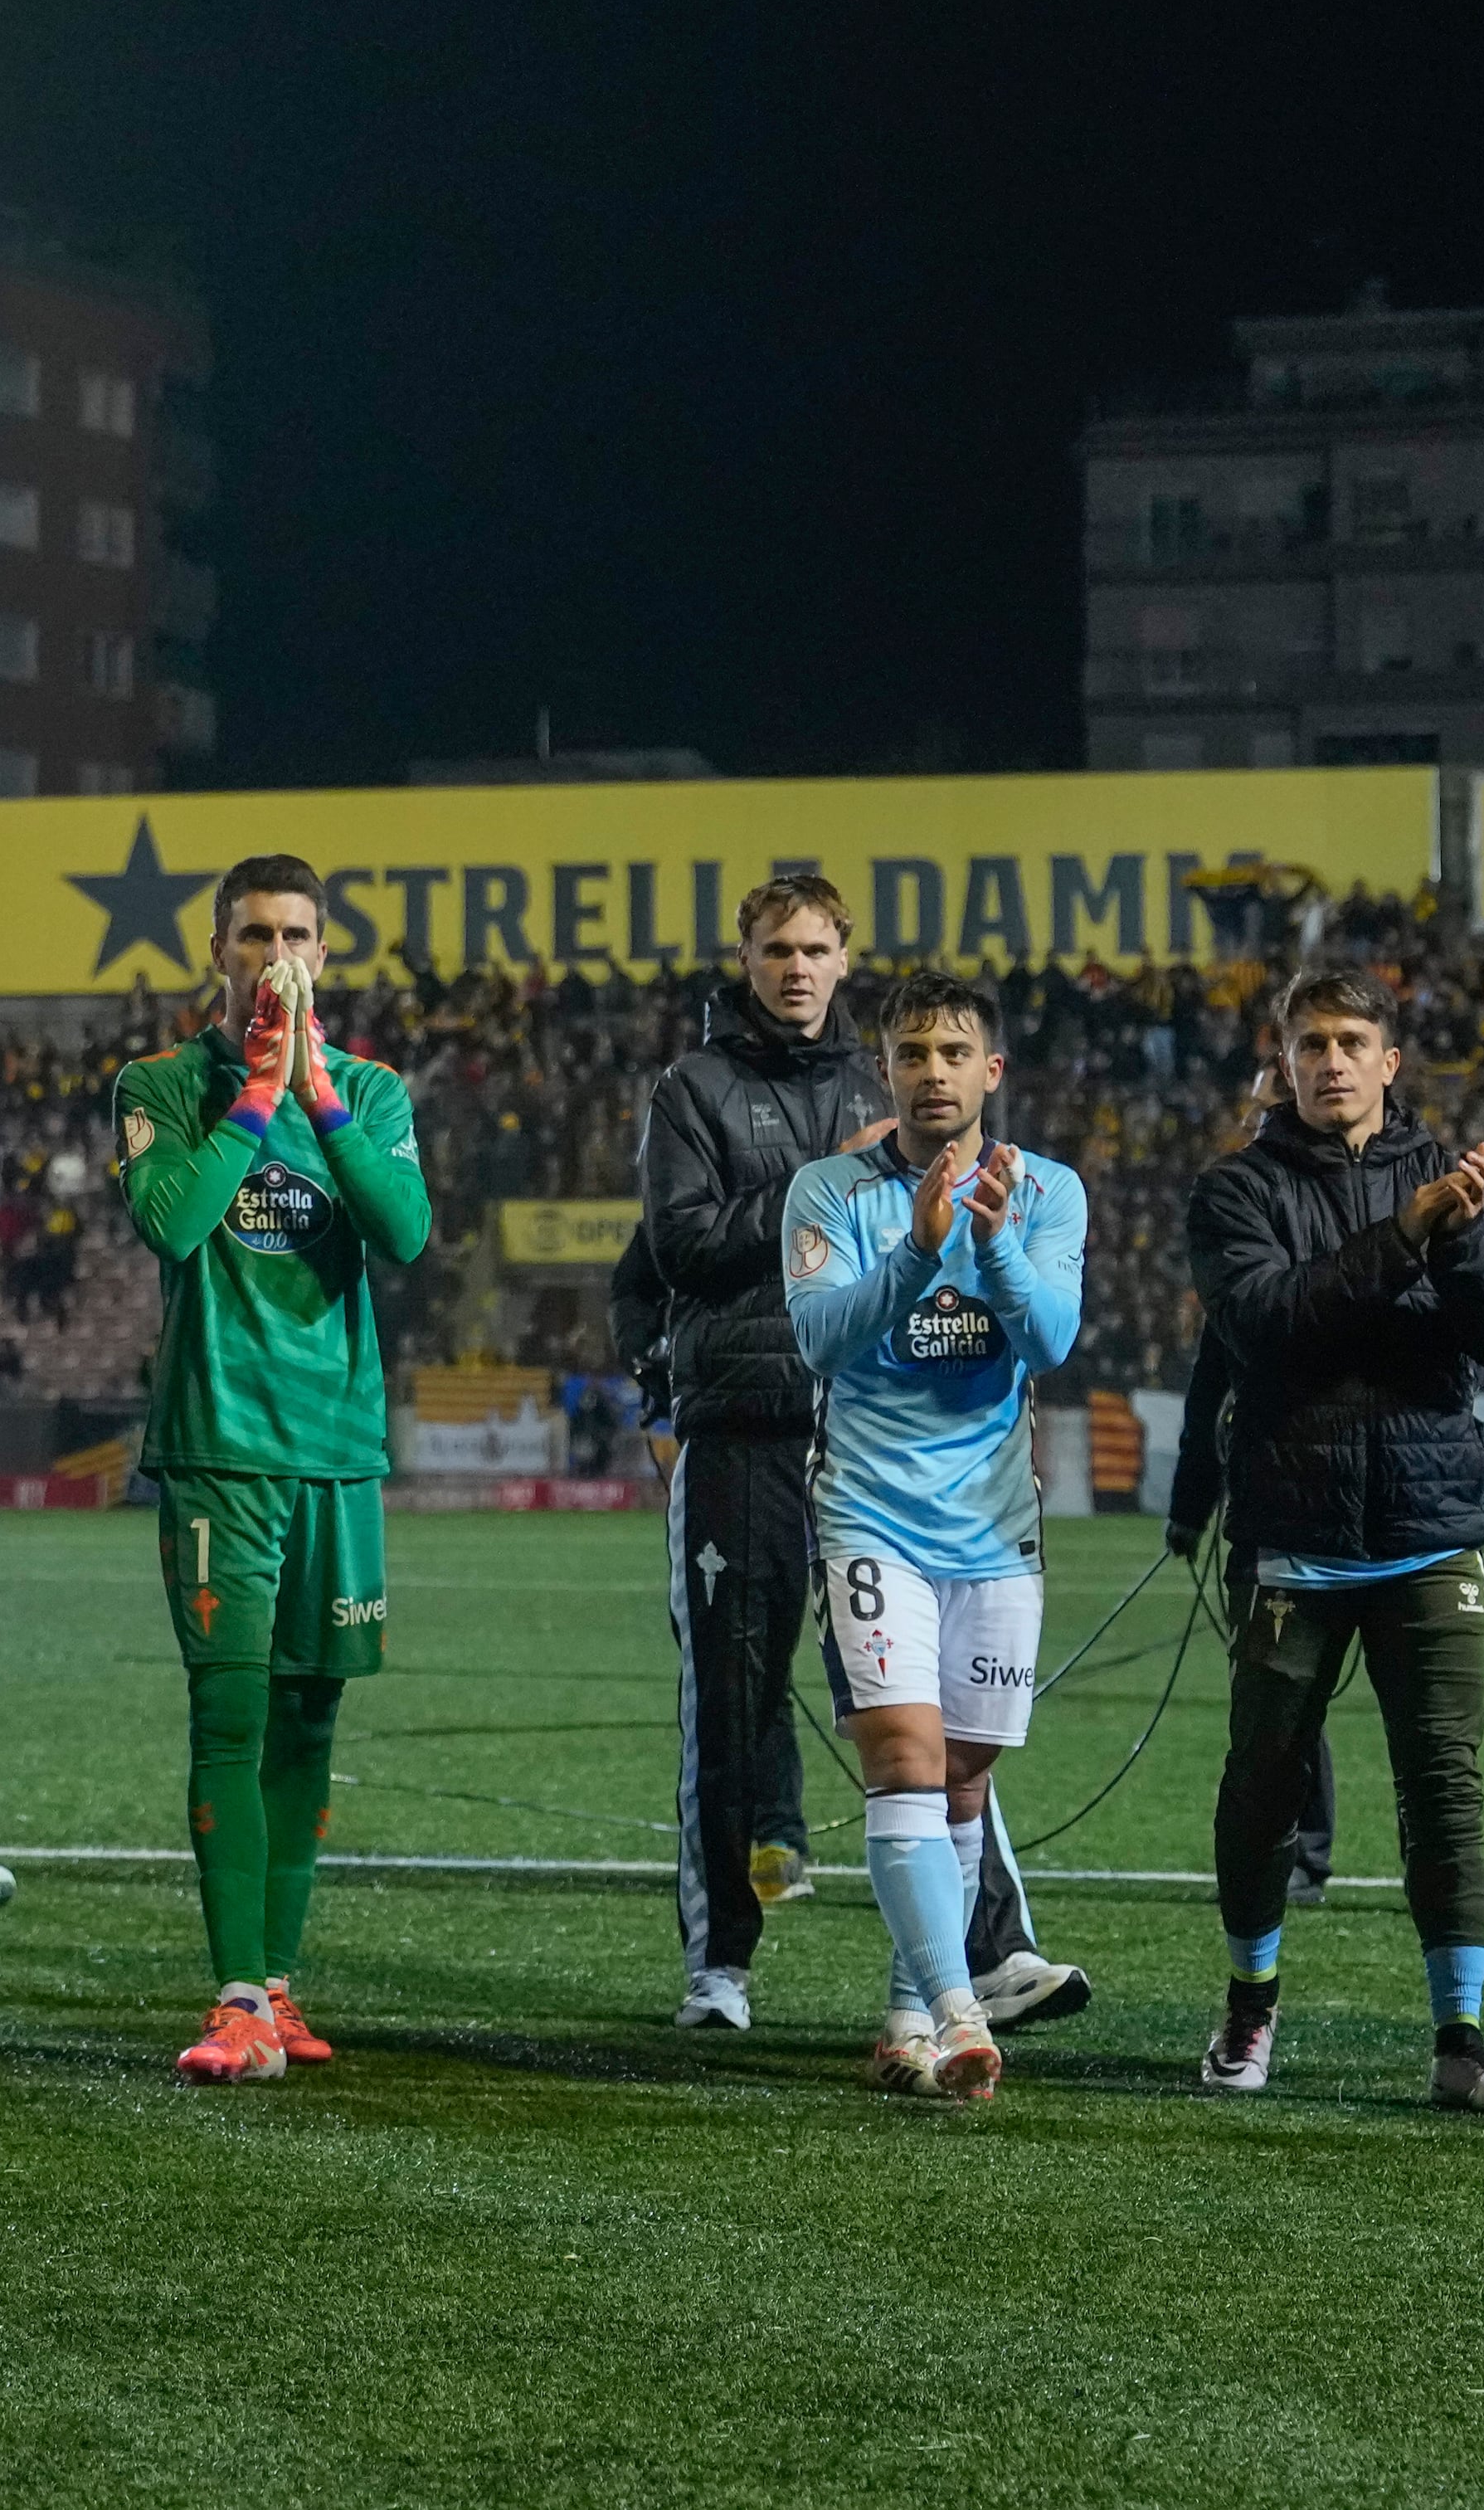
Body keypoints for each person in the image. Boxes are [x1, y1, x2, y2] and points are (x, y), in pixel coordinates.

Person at [1187, 967, 1484, 2113]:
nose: (1333, 1062)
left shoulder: (1455, 1181)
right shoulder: (1235, 1190)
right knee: (1265, 1784)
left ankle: (1463, 2037)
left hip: (1428, 1532)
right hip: (1295, 1535)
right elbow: (1270, 1324)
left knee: (1445, 1787)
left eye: (1354, 1042)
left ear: (1392, 1061)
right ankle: (1251, 2006)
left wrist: (1453, 1239)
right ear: (1284, 1059)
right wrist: (1406, 1233)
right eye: (1312, 1043)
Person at [114, 855, 430, 2084]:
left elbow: (402, 1233)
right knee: (232, 1714)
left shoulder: (372, 1090)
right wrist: (253, 1099)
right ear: (218, 950)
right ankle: (236, 1993)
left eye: (299, 934)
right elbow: (175, 1224)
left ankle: (280, 1987)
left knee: (312, 1715)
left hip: (338, 1454)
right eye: (256, 935)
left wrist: (316, 1096)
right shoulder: (162, 1083)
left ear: (326, 953)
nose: (278, 955)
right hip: (221, 1450)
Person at [780, 968, 1085, 2099]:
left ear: (990, 1070)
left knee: (962, 1783)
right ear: (886, 1070)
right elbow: (819, 1339)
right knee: (903, 1762)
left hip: (996, 1530)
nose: (933, 1073)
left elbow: (1049, 1339)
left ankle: (910, 2011)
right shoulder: (827, 1191)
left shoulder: (1048, 1192)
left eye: (955, 1053)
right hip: (869, 1517)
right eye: (912, 1054)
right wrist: (913, 1250)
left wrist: (992, 1247)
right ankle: (961, 2013)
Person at [632, 876, 886, 2027]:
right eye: (777, 948)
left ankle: (964, 1960)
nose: (796, 967)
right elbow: (683, 1248)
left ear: (845, 958)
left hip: (879, 1434)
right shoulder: (692, 1089)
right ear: (745, 956)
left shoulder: (891, 1081)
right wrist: (825, 1184)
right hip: (741, 1428)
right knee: (730, 1700)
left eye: (816, 948)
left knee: (908, 1703)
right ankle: (719, 1968)